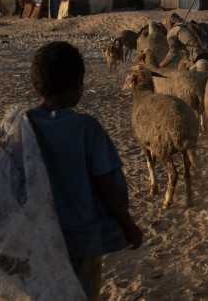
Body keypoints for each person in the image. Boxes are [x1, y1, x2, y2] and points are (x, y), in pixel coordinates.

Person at [27, 41, 142, 299]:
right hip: (80, 241)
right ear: (78, 84)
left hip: (36, 238)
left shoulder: (21, 126)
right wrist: (129, 225)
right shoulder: (86, 128)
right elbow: (106, 184)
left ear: (35, 85)